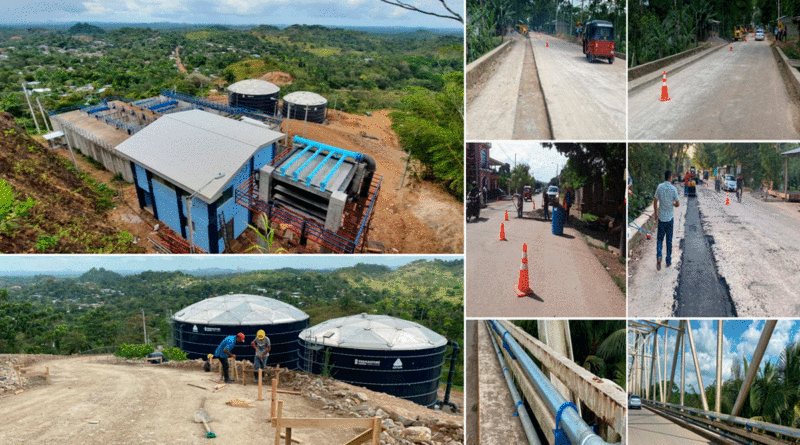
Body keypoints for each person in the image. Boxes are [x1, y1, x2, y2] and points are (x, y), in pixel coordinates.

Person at [654, 170, 680, 271]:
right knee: (669, 240)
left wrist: (656, 214)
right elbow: (678, 203)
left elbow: (655, 200)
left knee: (660, 239)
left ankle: (659, 255)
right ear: (670, 178)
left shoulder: (659, 187)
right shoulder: (673, 189)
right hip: (669, 219)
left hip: (661, 218)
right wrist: (673, 204)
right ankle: (668, 261)